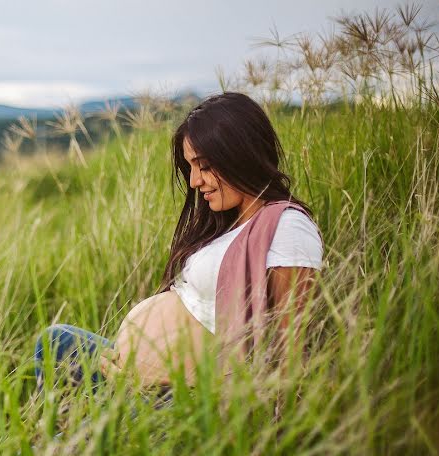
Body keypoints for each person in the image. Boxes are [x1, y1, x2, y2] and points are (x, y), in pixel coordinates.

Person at [34, 92, 323, 394]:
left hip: (186, 401)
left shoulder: (287, 227)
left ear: (240, 154)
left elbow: (285, 360)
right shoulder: (230, 223)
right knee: (56, 340)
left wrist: (159, 379)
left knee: (67, 435)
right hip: (136, 380)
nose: (194, 182)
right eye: (191, 168)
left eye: (204, 166)